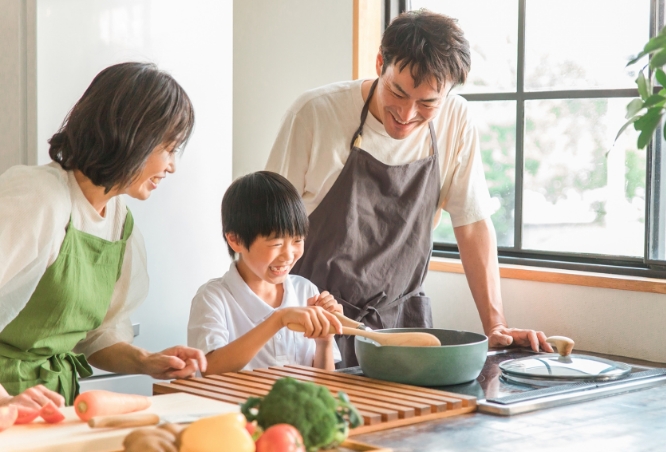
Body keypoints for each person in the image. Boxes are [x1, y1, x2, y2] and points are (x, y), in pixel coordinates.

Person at [266, 9, 554, 366]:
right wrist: (261, 326)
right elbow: (265, 229)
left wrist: (497, 325)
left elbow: (472, 223)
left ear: (447, 94)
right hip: (312, 326)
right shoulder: (315, 114)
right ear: (379, 63)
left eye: (427, 103)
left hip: (402, 333)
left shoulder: (457, 121)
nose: (406, 113)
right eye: (397, 92)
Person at [0, 62, 207, 408]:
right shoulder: (38, 198)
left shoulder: (118, 220)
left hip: (53, 403)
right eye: (168, 149)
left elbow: (94, 335)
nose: (172, 166)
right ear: (132, 137)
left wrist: (145, 361)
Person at [187, 171, 343, 375]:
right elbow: (210, 369)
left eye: (297, 240)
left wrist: (324, 341)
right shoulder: (212, 298)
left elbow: (323, 384)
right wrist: (278, 319)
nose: (288, 255)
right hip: (237, 407)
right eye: (276, 243)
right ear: (235, 240)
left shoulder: (305, 290)